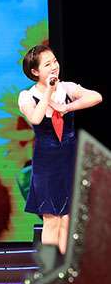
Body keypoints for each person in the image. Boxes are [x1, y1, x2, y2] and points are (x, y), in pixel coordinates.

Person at [18, 45, 102, 254]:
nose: (54, 67)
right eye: (48, 64)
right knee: (51, 218)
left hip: (70, 159)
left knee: (67, 217)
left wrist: (67, 107)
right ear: (35, 71)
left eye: (55, 61)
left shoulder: (67, 88)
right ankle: (51, 266)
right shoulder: (27, 96)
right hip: (46, 163)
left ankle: (64, 267)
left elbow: (96, 96)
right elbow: (36, 118)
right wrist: (48, 91)